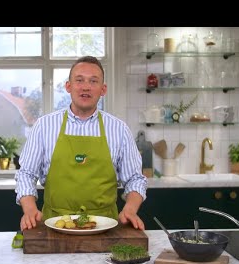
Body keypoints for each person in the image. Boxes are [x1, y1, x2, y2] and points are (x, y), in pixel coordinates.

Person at [15, 56, 147, 231]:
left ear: (103, 89)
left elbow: (135, 178)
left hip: (105, 226)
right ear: (68, 86)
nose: (86, 87)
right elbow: (26, 174)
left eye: (93, 81)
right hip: (55, 225)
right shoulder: (44, 126)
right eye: (79, 80)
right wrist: (30, 209)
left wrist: (130, 209)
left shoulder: (119, 129)